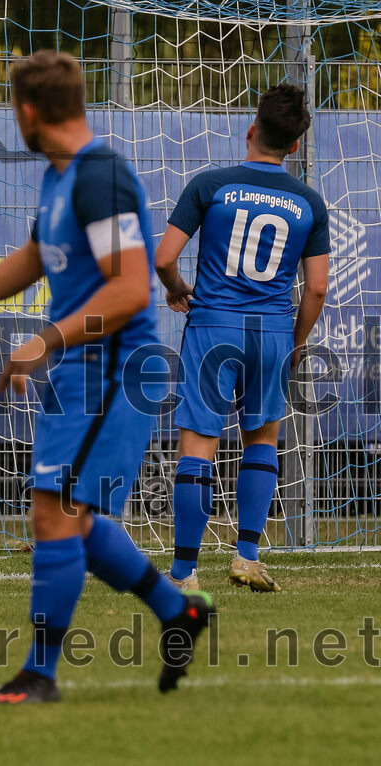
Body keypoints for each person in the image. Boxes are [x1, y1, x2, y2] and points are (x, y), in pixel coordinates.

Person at [0, 50, 214, 704]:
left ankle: (39, 675)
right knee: (66, 514)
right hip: (80, 370)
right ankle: (177, 611)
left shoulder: (101, 175)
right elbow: (36, 256)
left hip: (113, 370)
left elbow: (132, 290)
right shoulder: (61, 176)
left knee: (55, 513)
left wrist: (42, 340)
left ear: (27, 112)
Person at [156, 84, 330, 593]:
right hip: (273, 330)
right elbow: (316, 288)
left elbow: (165, 258)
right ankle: (247, 556)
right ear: (295, 147)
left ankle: (185, 571)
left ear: (251, 130)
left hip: (214, 327)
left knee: (198, 448)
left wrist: (178, 290)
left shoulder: (211, 185)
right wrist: (294, 343)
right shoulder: (309, 201)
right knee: (262, 441)